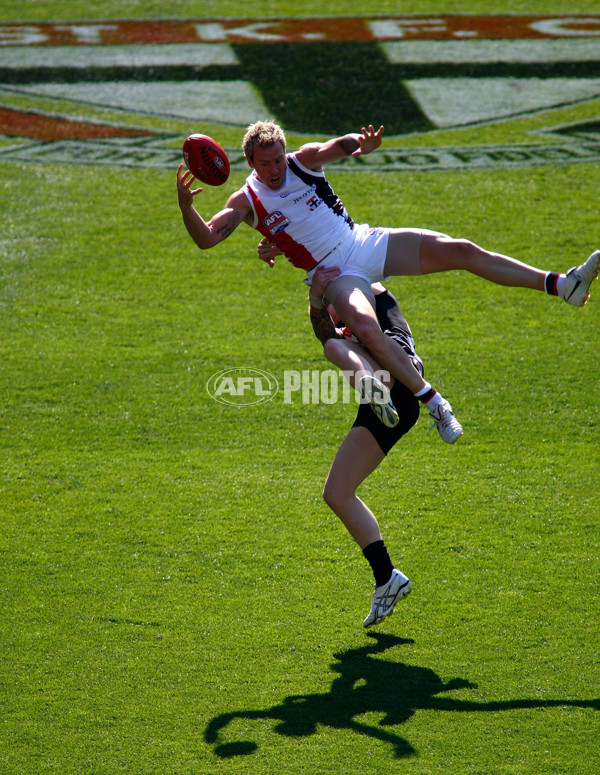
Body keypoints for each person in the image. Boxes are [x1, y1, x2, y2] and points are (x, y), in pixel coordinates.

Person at [176, 120, 599, 409]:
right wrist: (185, 207)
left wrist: (360, 144)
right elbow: (208, 239)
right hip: (335, 274)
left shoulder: (303, 163)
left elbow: (336, 147)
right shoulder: (246, 200)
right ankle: (420, 399)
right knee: (365, 326)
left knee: (462, 250)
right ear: (250, 163)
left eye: (278, 160)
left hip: (363, 241)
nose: (273, 169)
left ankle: (563, 285)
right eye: (264, 164)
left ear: (286, 152)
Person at [307, 265, 425, 628]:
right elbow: (324, 330)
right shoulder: (343, 314)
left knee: (332, 345)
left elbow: (340, 320)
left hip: (400, 383)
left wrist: (320, 259)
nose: (331, 307)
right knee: (337, 492)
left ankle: (373, 385)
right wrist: (316, 297)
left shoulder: (373, 297)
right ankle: (386, 577)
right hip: (391, 407)